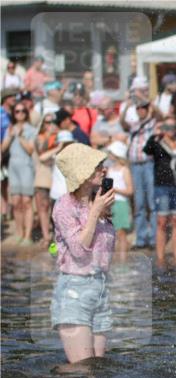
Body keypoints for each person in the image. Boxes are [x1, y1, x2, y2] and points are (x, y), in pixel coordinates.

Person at [50, 143, 117, 365]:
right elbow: (79, 251)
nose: (103, 169)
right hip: (74, 291)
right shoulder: (64, 207)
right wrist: (95, 212)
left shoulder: (97, 201)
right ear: (83, 172)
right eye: (97, 166)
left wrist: (99, 209)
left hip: (99, 289)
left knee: (97, 368)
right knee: (82, 370)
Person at [144, 119, 176, 266]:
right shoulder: (157, 144)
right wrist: (155, 135)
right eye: (167, 126)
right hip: (162, 186)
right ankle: (160, 257)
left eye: (173, 126)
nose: (171, 129)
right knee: (162, 222)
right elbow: (147, 150)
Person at [122, 100, 157, 249]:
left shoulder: (153, 123)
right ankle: (141, 238)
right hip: (135, 165)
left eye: (144, 107)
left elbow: (159, 115)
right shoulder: (134, 124)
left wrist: (150, 104)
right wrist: (127, 105)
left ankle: (154, 238)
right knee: (139, 202)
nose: (141, 110)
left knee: (152, 202)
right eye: (139, 108)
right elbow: (122, 123)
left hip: (149, 164)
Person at [2, 101, 37, 243]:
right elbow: (3, 149)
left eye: (23, 111)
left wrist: (21, 136)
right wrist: (10, 135)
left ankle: (28, 236)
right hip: (13, 167)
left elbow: (30, 150)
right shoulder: (10, 129)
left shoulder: (31, 130)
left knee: (27, 202)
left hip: (26, 167)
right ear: (14, 114)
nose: (20, 113)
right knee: (16, 202)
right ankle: (19, 233)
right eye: (17, 111)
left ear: (26, 113)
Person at [103, 140, 133, 261]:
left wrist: (116, 190)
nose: (109, 154)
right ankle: (115, 261)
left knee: (121, 234)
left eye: (111, 152)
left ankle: (123, 261)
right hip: (111, 203)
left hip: (121, 204)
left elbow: (130, 190)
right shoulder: (109, 169)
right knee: (112, 234)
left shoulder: (124, 170)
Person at [34, 114, 61, 245]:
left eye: (52, 122)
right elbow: (41, 151)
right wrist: (50, 135)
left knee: (55, 209)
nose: (50, 125)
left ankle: (56, 235)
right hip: (43, 174)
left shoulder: (60, 136)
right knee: (43, 206)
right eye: (47, 122)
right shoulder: (40, 137)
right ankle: (46, 236)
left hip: (57, 176)